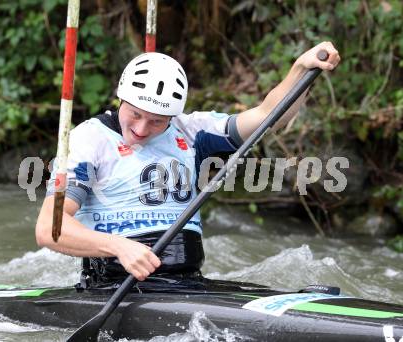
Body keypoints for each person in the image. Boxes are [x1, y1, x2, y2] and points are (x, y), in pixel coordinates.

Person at [35, 42, 340, 286]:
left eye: (156, 122)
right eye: (135, 115)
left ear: (172, 117)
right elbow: (50, 228)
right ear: (121, 99)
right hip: (117, 286)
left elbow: (269, 116)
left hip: (188, 283)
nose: (141, 129)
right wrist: (118, 246)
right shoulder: (88, 139)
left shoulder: (193, 131)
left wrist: (301, 69)